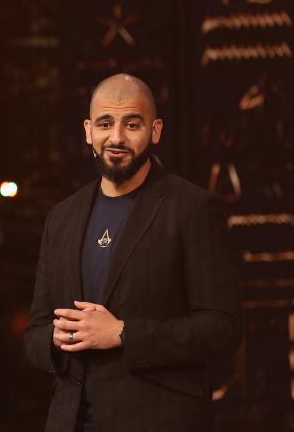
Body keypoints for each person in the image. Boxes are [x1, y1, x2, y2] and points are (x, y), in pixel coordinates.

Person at [24, 73, 243, 432]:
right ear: (87, 131)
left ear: (155, 131)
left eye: (132, 124)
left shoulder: (192, 208)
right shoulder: (62, 216)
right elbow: (34, 333)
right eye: (105, 124)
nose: (116, 137)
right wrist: (54, 338)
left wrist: (124, 333)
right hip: (70, 422)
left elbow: (224, 328)